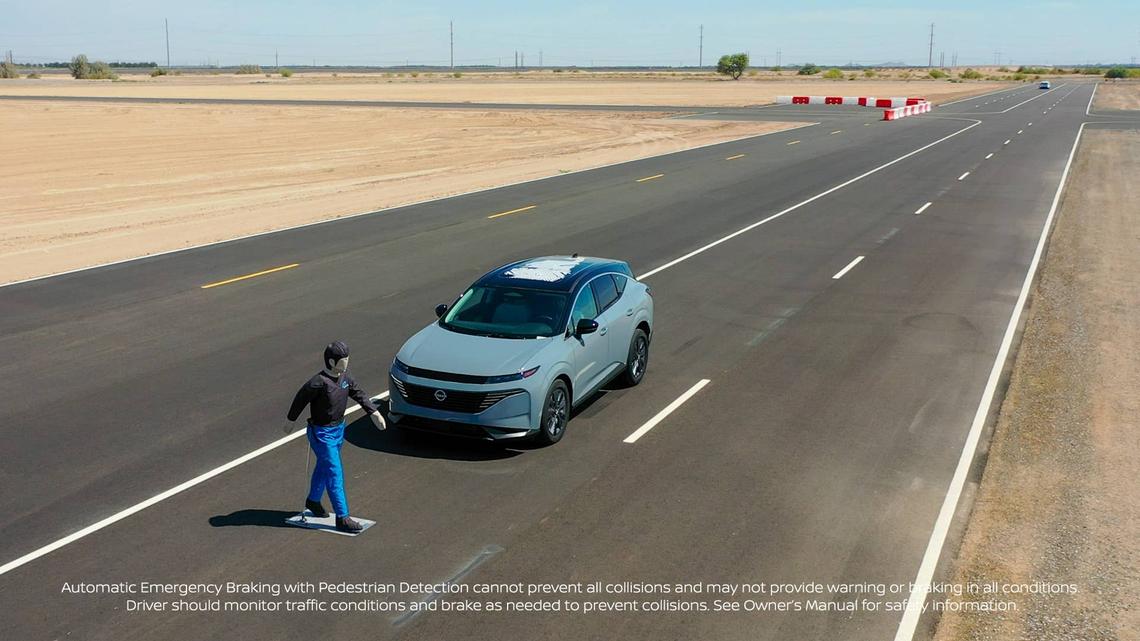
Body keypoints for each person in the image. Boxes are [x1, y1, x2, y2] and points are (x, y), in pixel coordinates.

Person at [285, 341, 385, 533]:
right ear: (332, 361)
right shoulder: (318, 382)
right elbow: (300, 399)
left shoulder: (345, 379)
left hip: (339, 429)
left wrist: (374, 412)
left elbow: (360, 395)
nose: (346, 363)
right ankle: (342, 517)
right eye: (343, 360)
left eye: (347, 359)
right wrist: (290, 421)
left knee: (324, 466)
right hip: (322, 433)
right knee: (334, 471)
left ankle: (313, 500)